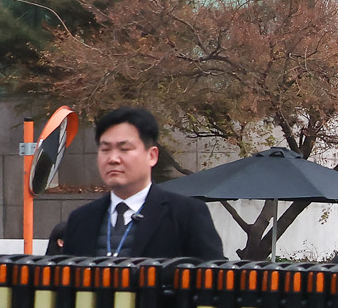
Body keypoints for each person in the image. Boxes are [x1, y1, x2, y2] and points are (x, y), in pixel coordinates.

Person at [51, 107, 224, 260]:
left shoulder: (187, 215)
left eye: (124, 149)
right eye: (105, 150)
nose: (113, 159)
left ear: (152, 156)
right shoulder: (81, 220)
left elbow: (212, 284)